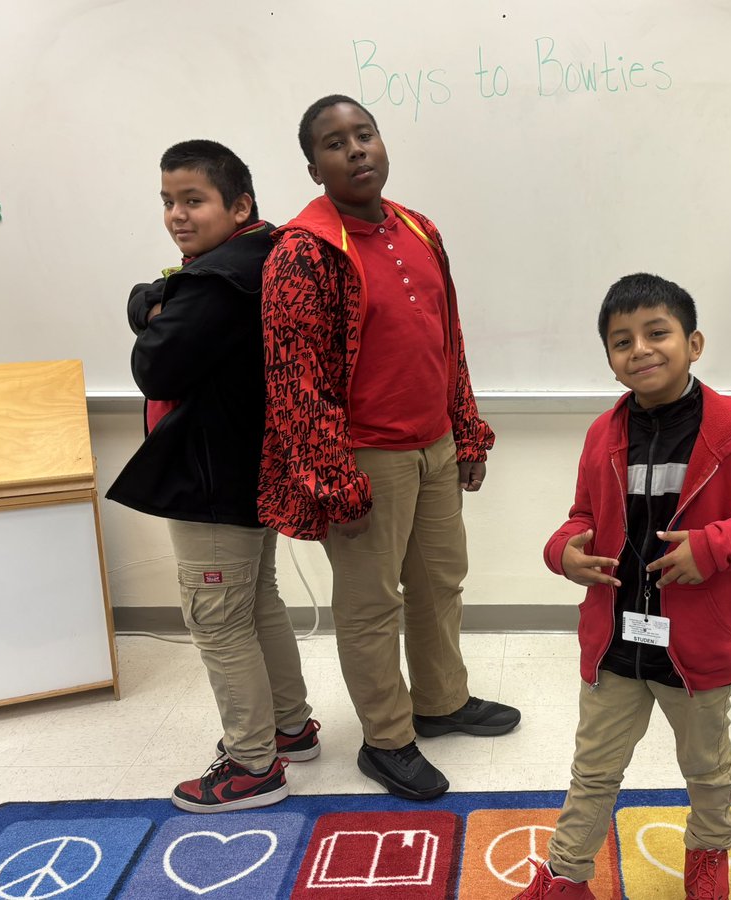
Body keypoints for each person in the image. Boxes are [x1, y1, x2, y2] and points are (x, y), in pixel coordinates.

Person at [258, 95, 519, 801]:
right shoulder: (303, 253)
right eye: (334, 143)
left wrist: (466, 428)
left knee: (440, 582)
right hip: (363, 459)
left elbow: (448, 338)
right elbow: (296, 381)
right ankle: (387, 740)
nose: (356, 150)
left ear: (381, 143)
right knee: (371, 605)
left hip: (435, 443)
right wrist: (332, 480)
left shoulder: (419, 228)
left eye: (364, 134)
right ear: (314, 168)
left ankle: (441, 703)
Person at [515, 274, 731, 900]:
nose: (639, 349)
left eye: (656, 333)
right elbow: (582, 516)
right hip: (615, 640)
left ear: (694, 343)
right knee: (594, 769)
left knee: (706, 767)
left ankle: (708, 853)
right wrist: (564, 551)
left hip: (698, 645)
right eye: (621, 341)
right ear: (611, 360)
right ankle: (566, 875)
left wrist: (709, 548)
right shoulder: (602, 434)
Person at [107, 140, 317, 813]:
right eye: (168, 201)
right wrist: (158, 301)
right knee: (257, 603)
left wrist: (152, 307)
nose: (177, 214)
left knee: (218, 618)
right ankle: (290, 727)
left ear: (239, 205)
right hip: (253, 468)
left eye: (193, 200)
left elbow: (155, 367)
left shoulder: (216, 280)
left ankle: (253, 765)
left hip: (212, 478)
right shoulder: (268, 254)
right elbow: (162, 312)